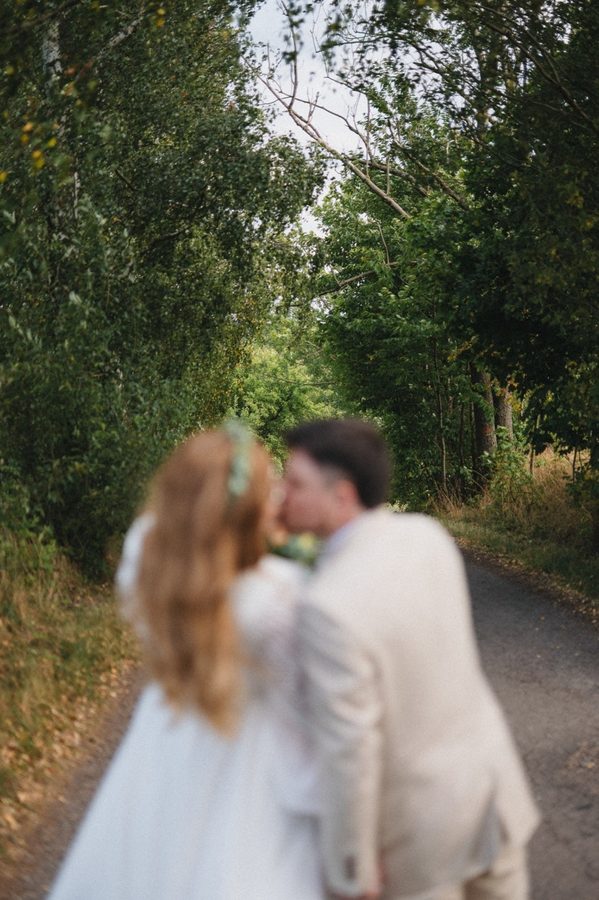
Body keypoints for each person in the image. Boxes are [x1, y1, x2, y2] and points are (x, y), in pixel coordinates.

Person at [49, 425, 324, 900]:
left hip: (157, 757)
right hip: (250, 781)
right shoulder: (281, 596)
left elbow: (165, 531)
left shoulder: (148, 565)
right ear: (248, 513)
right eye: (269, 489)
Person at [282, 418, 540, 900]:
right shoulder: (428, 537)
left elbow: (350, 747)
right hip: (491, 798)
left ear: (342, 495)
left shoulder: (327, 605)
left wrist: (351, 869)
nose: (282, 494)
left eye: (294, 483)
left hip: (420, 841)